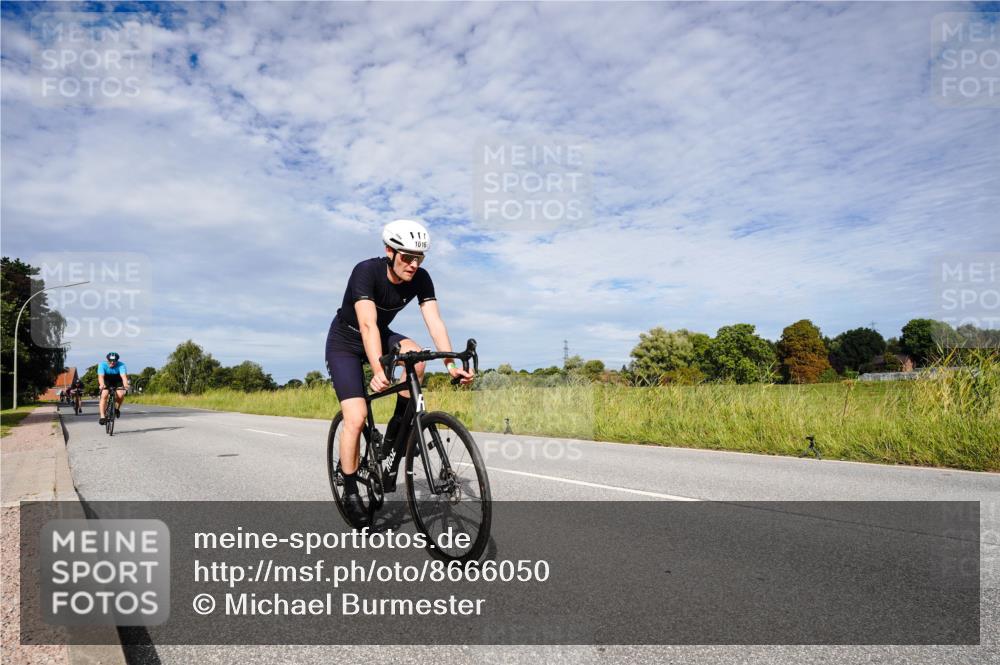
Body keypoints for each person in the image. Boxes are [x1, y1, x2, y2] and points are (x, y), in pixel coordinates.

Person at [325, 219, 474, 525]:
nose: (413, 264)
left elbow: (435, 322)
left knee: (417, 358)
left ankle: (397, 429)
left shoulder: (421, 278)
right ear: (389, 251)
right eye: (406, 257)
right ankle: (350, 485)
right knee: (356, 417)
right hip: (346, 342)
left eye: (419, 258)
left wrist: (451, 366)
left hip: (382, 334)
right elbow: (367, 325)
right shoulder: (366, 271)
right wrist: (379, 368)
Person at [97, 352, 129, 425]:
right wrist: (102, 385)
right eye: (110, 361)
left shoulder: (121, 365)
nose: (112, 362)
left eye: (114, 361)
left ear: (117, 361)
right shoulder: (102, 365)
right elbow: (101, 377)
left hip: (117, 380)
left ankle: (117, 409)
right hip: (107, 380)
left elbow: (123, 376)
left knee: (120, 395)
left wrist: (126, 385)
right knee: (104, 395)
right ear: (107, 360)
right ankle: (102, 416)